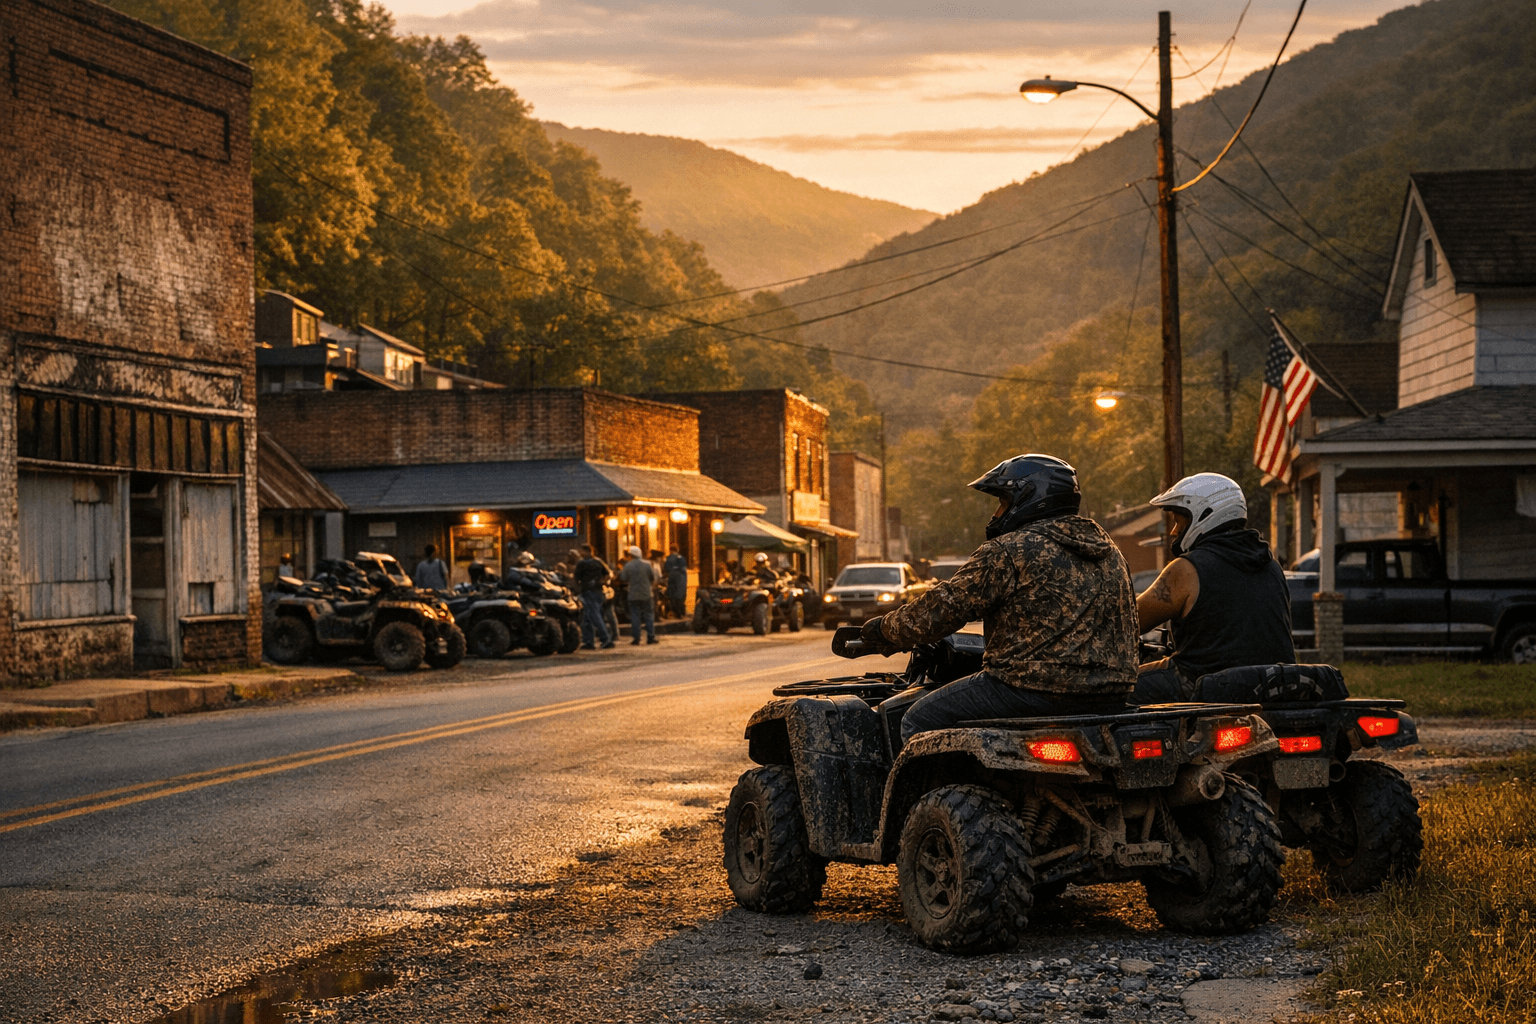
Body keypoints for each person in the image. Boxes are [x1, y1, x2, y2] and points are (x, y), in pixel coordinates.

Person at [860, 454, 1138, 744]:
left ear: (1029, 499)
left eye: (1002, 503)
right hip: (1112, 694)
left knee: (918, 719)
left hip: (1030, 690)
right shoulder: (1109, 551)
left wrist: (885, 629)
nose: (995, 515)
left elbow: (945, 607)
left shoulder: (1009, 550)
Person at [1133, 473, 1295, 703]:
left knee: (1113, 689)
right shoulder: (1271, 566)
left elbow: (1130, 622)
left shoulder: (1187, 568)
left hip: (1204, 683)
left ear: (1204, 515)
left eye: (1179, 521)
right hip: (1272, 686)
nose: (1174, 531)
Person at [573, 544, 615, 649]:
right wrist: (602, 582)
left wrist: (577, 589)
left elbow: (576, 578)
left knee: (594, 616)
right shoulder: (598, 561)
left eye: (581, 551)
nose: (580, 553)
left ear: (586, 551)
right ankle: (589, 642)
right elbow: (608, 574)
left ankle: (605, 639)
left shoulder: (581, 563)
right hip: (598, 591)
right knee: (587, 617)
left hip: (588, 591)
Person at [620, 545, 660, 644]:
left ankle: (636, 638)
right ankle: (650, 637)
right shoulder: (647, 564)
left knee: (635, 616)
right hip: (647, 593)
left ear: (631, 555)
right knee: (649, 615)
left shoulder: (628, 566)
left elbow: (623, 578)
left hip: (633, 594)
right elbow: (652, 578)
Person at [663, 544, 689, 618]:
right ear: (677, 550)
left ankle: (672, 611)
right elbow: (684, 569)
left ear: (670, 550)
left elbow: (666, 569)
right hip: (681, 578)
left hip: (671, 577)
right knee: (680, 595)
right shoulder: (682, 558)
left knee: (672, 595)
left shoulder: (668, 558)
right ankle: (680, 612)